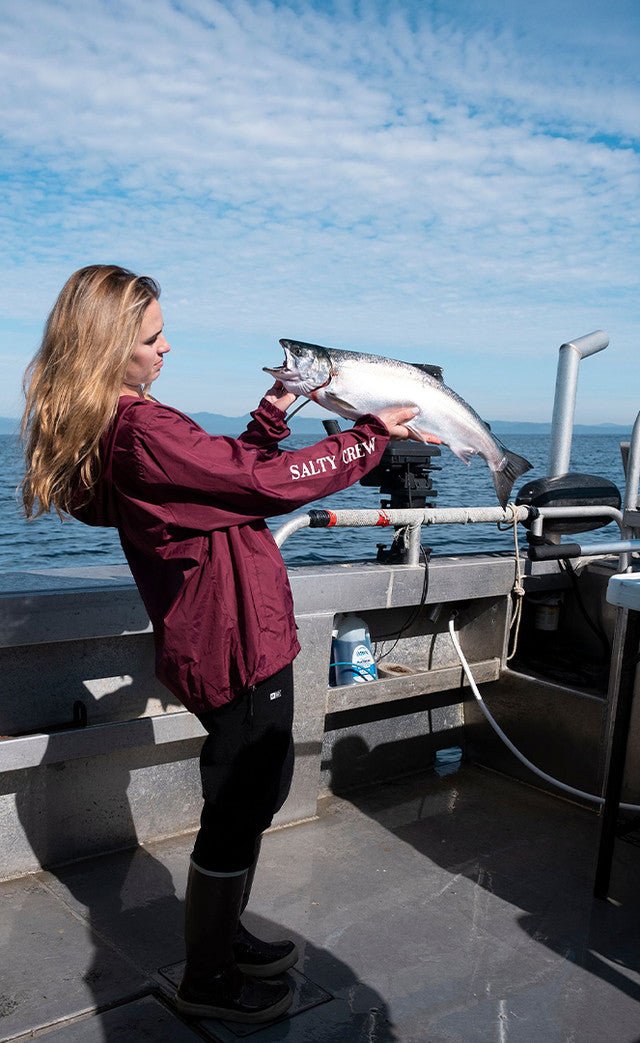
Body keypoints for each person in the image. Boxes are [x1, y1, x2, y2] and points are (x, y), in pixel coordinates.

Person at [21, 264, 419, 1024]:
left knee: (252, 788)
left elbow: (225, 477)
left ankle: (224, 932)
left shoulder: (127, 425)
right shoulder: (142, 429)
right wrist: (369, 439)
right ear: (108, 348)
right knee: (242, 797)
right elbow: (268, 485)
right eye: (151, 337)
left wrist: (271, 414)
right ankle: (209, 972)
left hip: (221, 631)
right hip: (234, 638)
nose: (167, 347)